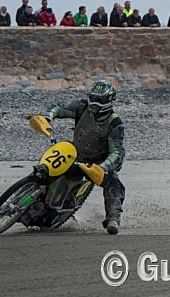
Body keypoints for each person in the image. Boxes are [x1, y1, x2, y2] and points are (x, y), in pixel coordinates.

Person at [41, 80, 126, 235]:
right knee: (49, 164)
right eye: (92, 97)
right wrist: (47, 117)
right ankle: (33, 188)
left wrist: (102, 168)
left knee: (114, 183)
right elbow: (60, 108)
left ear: (110, 101)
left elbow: (117, 153)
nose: (94, 102)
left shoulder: (115, 124)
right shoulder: (82, 108)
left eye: (99, 100)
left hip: (96, 165)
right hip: (74, 154)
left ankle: (113, 217)